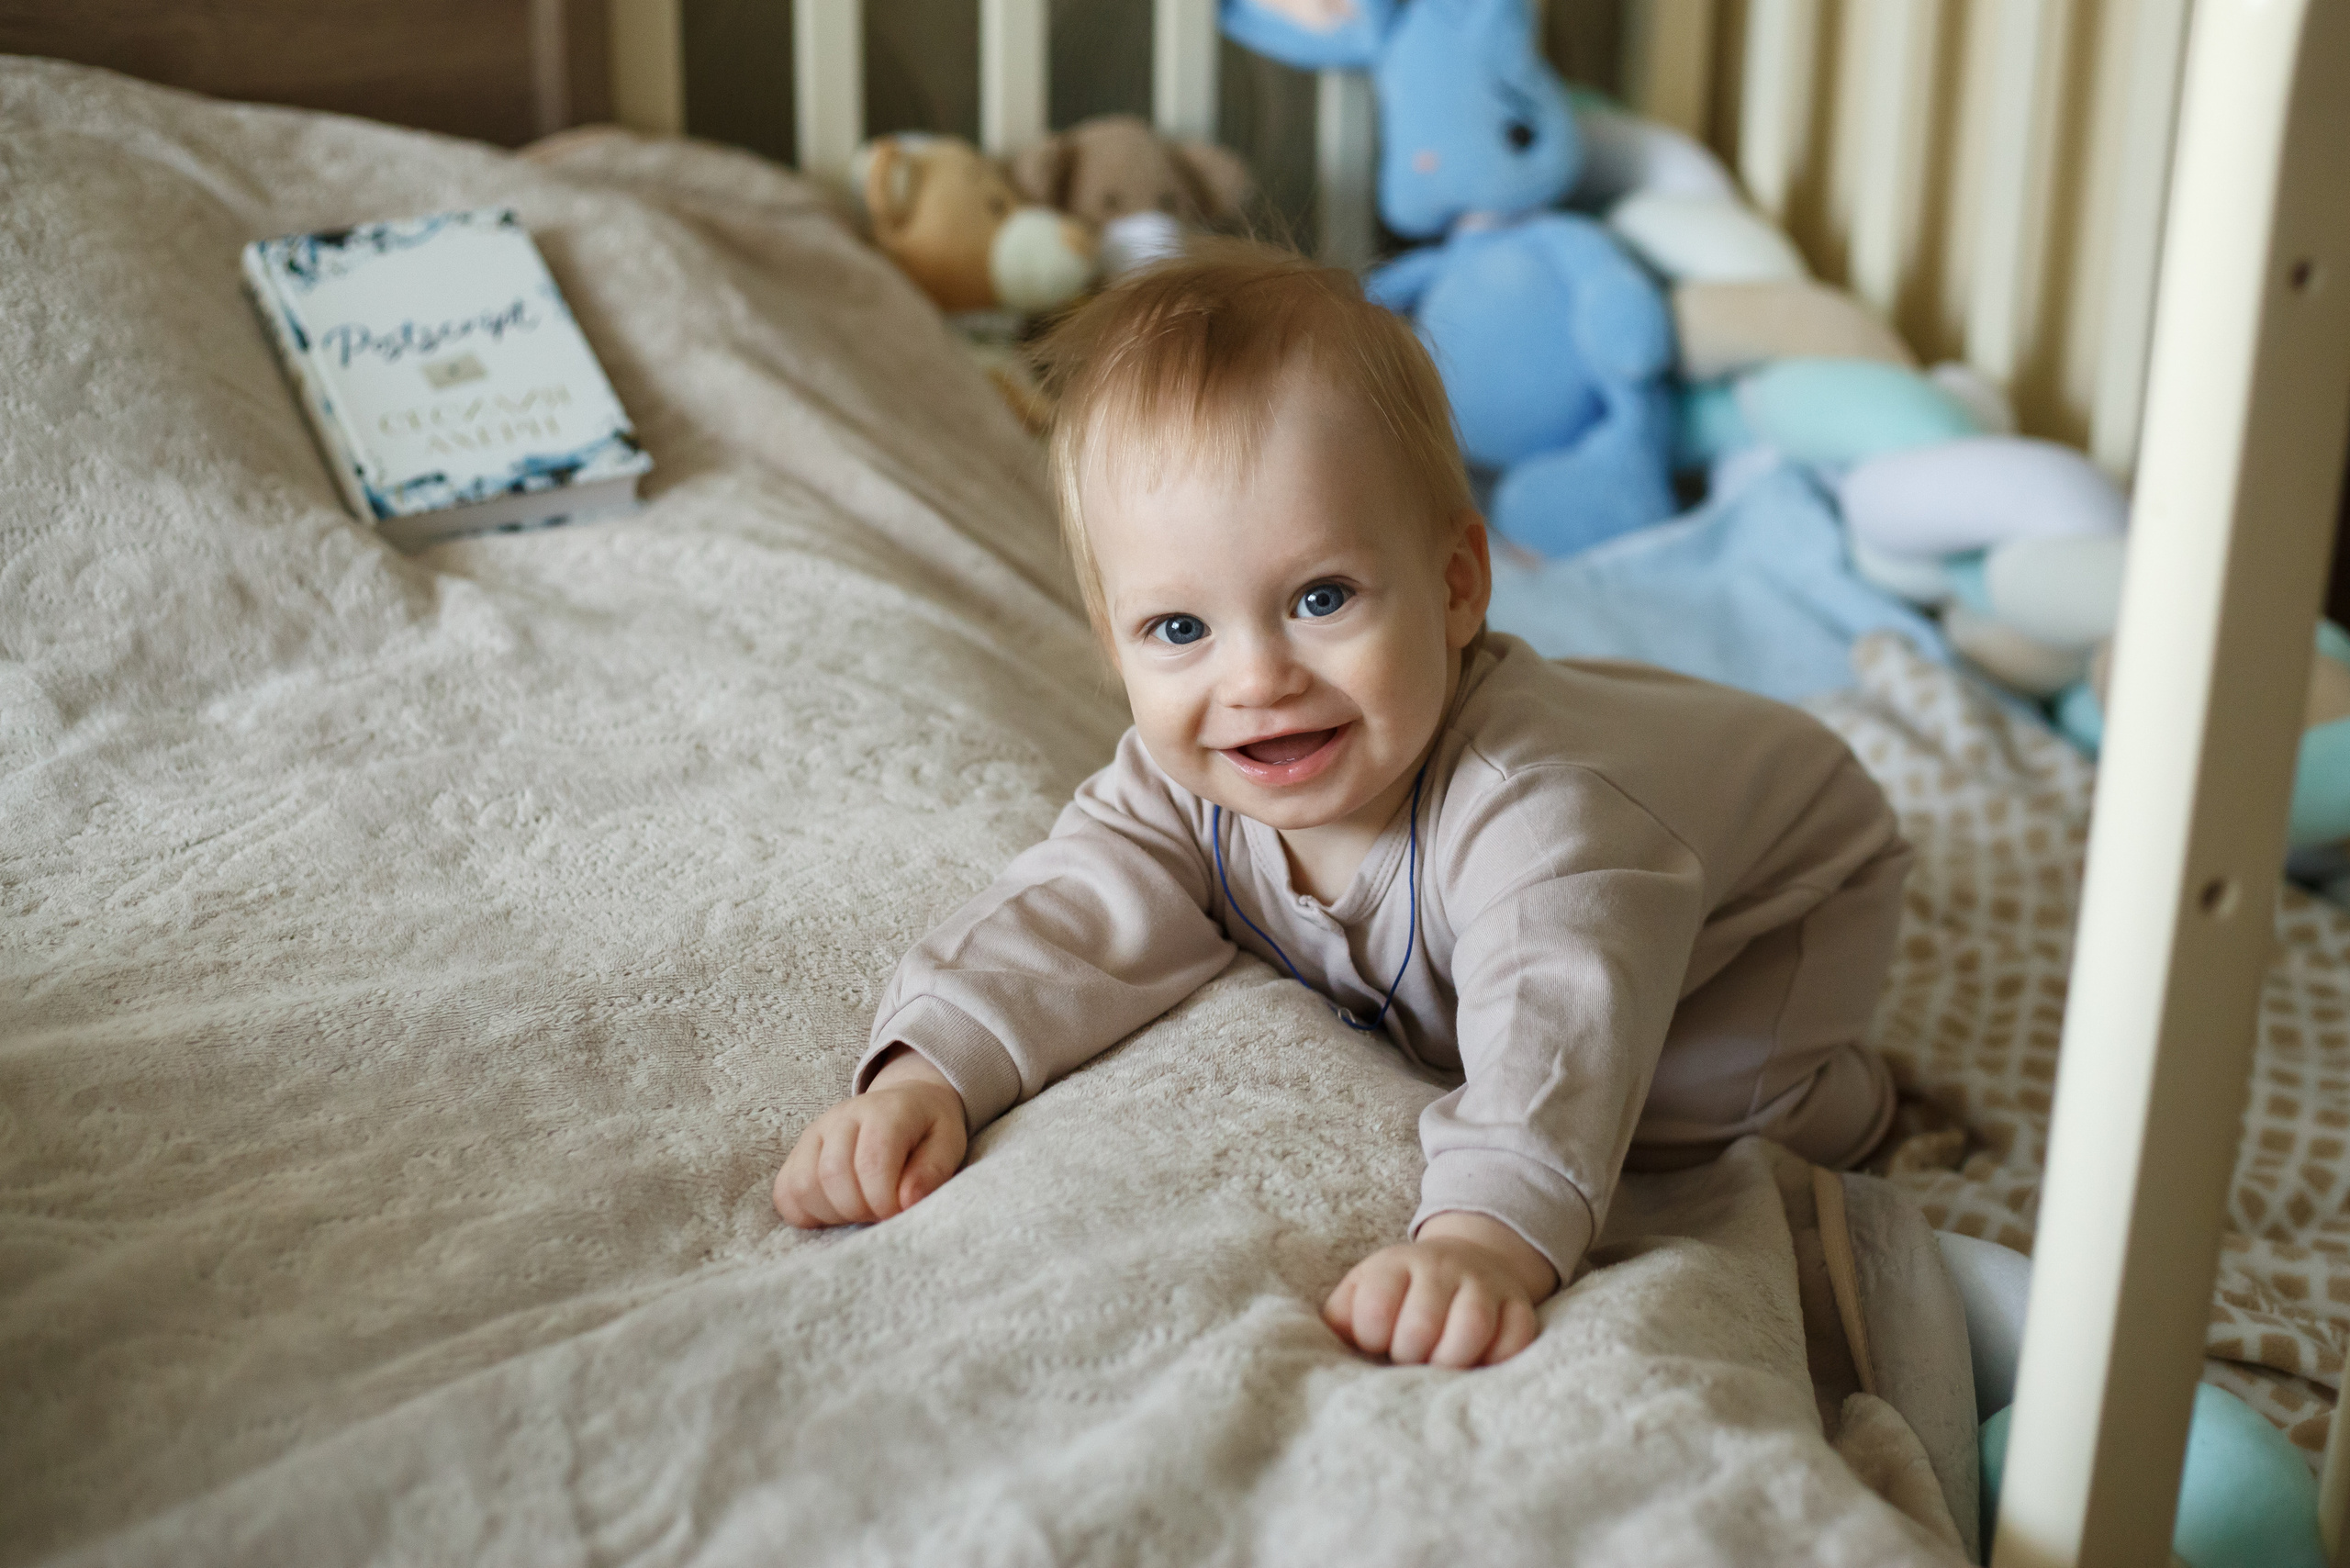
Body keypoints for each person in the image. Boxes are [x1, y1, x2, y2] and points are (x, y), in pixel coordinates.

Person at [774, 241, 1910, 1370]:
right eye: (1180, 630)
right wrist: (925, 1078)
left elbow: (1555, 1030)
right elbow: (1068, 913)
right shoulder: (1188, 777)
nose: (1255, 679)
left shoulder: (1544, 827)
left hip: (1777, 905)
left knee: (1676, 1119)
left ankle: (1851, 1097)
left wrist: (1478, 1244)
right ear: (1111, 639)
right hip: (1642, 795)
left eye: (1320, 598)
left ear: (1458, 583)